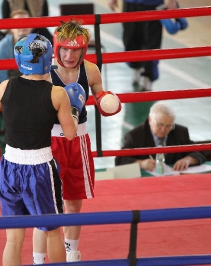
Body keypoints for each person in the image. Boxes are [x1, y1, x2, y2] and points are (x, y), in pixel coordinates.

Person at [0, 33, 83, 265]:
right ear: (48, 59)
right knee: (52, 231)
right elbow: (70, 134)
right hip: (39, 169)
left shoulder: (5, 86)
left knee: (12, 238)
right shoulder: (57, 93)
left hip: (8, 167)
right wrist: (73, 109)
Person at [32, 19, 122, 263]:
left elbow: (100, 95)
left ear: (84, 49)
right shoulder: (43, 72)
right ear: (56, 47)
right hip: (49, 143)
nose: (69, 55)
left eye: (75, 50)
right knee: (46, 205)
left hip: (79, 141)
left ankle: (72, 252)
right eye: (65, 49)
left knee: (73, 202)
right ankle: (38, 259)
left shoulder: (90, 70)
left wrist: (106, 102)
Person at [108, 0, 178, 91]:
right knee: (130, 39)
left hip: (153, 4)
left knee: (151, 42)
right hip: (130, 3)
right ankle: (136, 67)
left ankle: (148, 77)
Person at [115, 102, 206, 171]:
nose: (163, 129)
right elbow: (120, 160)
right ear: (150, 120)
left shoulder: (180, 132)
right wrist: (141, 163)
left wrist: (189, 159)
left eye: (168, 126)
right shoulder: (135, 135)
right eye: (160, 124)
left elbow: (199, 152)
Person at [0, 9, 33, 87]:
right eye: (18, 23)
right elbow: (0, 78)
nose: (22, 26)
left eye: (26, 22)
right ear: (11, 28)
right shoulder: (3, 47)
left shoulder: (40, 43)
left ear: (31, 26)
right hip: (10, 88)